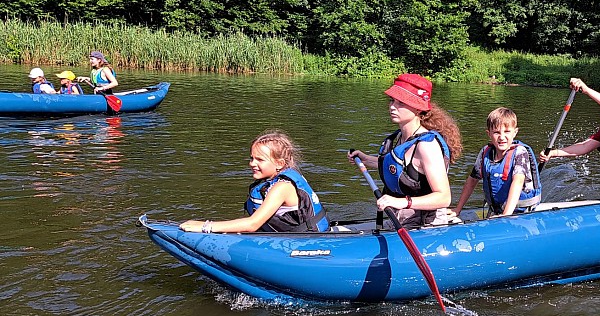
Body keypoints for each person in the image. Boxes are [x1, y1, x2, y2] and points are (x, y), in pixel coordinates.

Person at [348, 73, 463, 229]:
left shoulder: (426, 146)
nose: (392, 106)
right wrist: (366, 159)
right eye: (392, 101)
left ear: (418, 108)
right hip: (401, 217)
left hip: (427, 225)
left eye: (400, 102)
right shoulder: (401, 137)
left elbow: (444, 197)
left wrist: (401, 202)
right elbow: (402, 168)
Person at [180, 131, 329, 234]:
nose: (252, 163)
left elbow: (252, 224)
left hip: (309, 240)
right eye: (252, 158)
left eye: (260, 159)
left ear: (279, 163)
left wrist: (206, 226)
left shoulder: (282, 187)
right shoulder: (272, 181)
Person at [451, 107, 541, 218]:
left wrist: (506, 215)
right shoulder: (485, 153)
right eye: (496, 132)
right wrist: (457, 209)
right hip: (497, 211)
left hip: (522, 213)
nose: (502, 137)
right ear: (489, 134)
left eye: (507, 132)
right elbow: (472, 180)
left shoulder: (520, 153)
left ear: (515, 132)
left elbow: (518, 181)